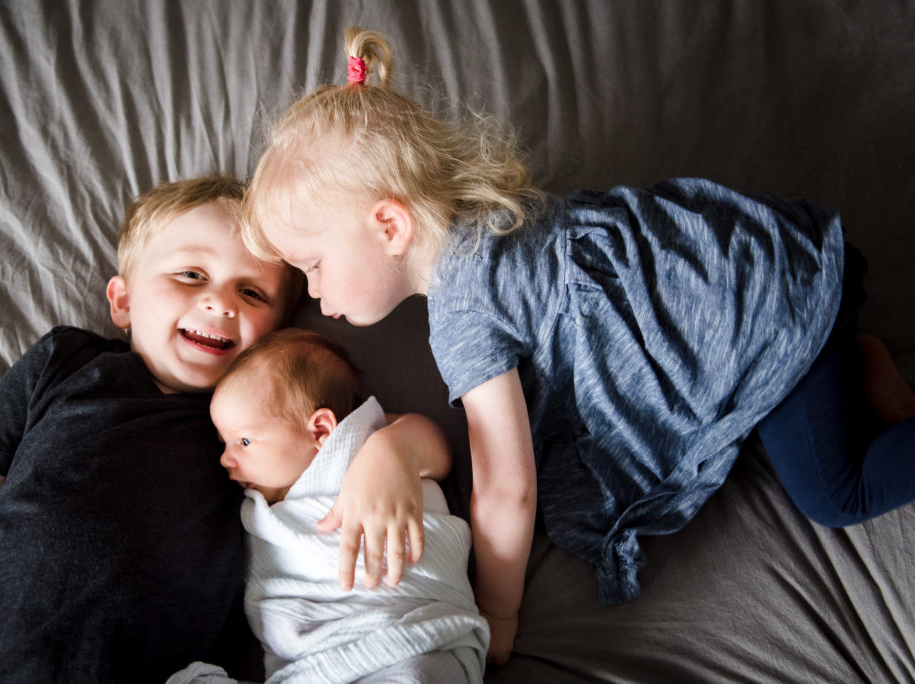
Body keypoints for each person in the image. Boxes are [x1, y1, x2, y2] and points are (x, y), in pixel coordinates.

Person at [239, 27, 915, 665]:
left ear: (389, 224)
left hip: (766, 313)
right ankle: (854, 365)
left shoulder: (464, 317)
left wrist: (497, 616)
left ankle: (833, 364)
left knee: (838, 496)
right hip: (741, 253)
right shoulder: (487, 215)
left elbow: (507, 488)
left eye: (314, 266)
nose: (314, 295)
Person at [0, 175, 452, 683]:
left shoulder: (260, 427)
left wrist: (394, 451)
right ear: (123, 299)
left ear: (277, 330)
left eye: (251, 293)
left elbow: (395, 439)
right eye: (190, 275)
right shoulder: (64, 363)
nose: (219, 302)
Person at [170, 327, 488, 684]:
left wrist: (395, 451)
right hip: (312, 662)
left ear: (321, 430)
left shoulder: (364, 447)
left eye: (243, 441)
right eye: (224, 442)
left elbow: (436, 451)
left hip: (406, 640)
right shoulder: (261, 505)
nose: (226, 459)